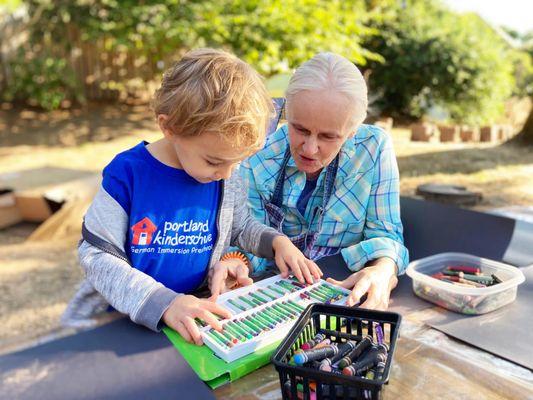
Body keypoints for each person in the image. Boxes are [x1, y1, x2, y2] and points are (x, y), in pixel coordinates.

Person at [61, 48, 321, 344]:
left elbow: (239, 225)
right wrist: (165, 302)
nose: (226, 173)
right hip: (116, 325)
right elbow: (97, 255)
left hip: (189, 318)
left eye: (236, 162)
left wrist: (276, 242)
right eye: (214, 161)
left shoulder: (225, 173)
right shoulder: (128, 174)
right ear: (169, 127)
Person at [240, 52, 409, 310]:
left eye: (328, 136)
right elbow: (249, 238)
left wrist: (383, 270)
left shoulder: (374, 148)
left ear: (352, 131)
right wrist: (239, 262)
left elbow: (386, 235)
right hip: (274, 295)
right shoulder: (260, 155)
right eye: (300, 129)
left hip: (341, 292)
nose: (309, 148)